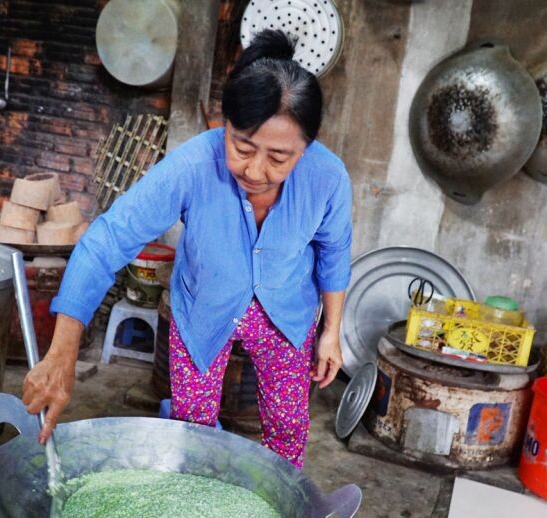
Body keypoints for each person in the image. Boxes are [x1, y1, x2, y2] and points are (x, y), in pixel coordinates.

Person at [21, 29, 352, 469]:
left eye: (278, 158)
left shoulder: (328, 177)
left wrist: (331, 331)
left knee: (288, 425)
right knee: (193, 426)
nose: (255, 170)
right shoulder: (192, 165)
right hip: (203, 306)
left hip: (286, 311)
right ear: (224, 125)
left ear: (306, 148)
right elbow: (107, 240)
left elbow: (334, 251)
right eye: (242, 147)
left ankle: (281, 500)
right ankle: (194, 494)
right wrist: (62, 353)